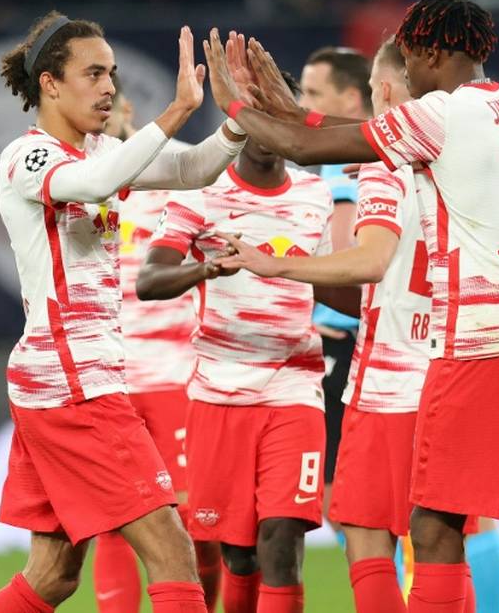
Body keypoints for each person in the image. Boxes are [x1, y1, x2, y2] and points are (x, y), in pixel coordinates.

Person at [202, 0, 499, 613]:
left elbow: (309, 150)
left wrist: (236, 108)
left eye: (410, 61)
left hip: (481, 339)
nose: (409, 75)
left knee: (432, 527)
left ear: (432, 54)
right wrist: (288, 111)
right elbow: (334, 135)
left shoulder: (440, 113)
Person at [0, 11, 249, 613]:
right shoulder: (28, 158)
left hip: (69, 380)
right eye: (93, 74)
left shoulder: (103, 150)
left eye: (112, 74)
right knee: (173, 553)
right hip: (73, 384)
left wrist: (238, 118)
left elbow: (191, 169)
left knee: (52, 575)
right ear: (50, 84)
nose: (108, 87)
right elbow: (95, 182)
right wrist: (176, 111)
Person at [134, 70, 333, 613]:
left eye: (276, 115)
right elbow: (150, 280)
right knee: (239, 555)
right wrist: (206, 268)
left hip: (294, 389)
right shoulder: (202, 194)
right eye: (254, 115)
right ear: (235, 120)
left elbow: (334, 283)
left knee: (281, 540)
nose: (266, 128)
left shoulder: (315, 195)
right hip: (219, 394)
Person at [91, 85, 222, 613]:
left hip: (176, 376)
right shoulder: (78, 185)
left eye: (106, 113)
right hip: (108, 383)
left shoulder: (180, 176)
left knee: (197, 521)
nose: (98, 128)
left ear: (127, 111)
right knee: (115, 522)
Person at [296, 46, 372, 528]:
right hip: (387, 334)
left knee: (342, 504)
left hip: (344, 339)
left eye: (313, 93)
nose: (303, 105)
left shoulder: (341, 163)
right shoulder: (388, 152)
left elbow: (345, 255)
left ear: (349, 98)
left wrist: (322, 311)